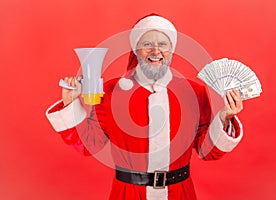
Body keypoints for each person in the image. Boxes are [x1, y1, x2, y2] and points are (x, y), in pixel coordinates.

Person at [46, 14, 244, 200]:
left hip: (180, 193)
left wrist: (225, 118)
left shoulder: (194, 93)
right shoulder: (111, 92)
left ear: (171, 49)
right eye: (147, 44)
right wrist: (70, 102)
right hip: (128, 193)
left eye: (163, 44)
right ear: (136, 49)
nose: (156, 51)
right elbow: (90, 144)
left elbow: (207, 151)